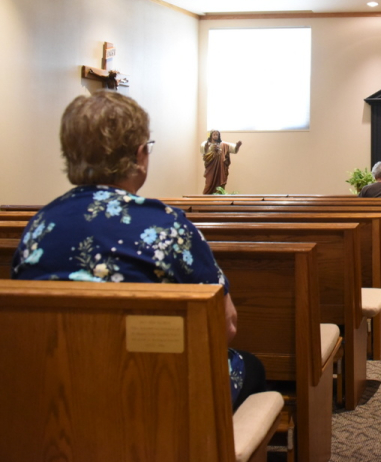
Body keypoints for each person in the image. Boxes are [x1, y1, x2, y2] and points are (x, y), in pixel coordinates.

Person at [11, 91, 265, 410]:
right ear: (140, 154)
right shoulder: (168, 226)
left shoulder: (38, 228)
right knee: (252, 367)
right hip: (153, 396)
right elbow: (224, 327)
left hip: (55, 396)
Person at [202, 129, 242, 195]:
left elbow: (233, 149)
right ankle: (206, 198)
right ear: (211, 136)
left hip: (221, 168)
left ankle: (219, 199)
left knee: (220, 184)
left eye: (217, 134)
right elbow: (205, 156)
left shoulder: (223, 145)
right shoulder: (207, 144)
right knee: (209, 184)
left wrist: (237, 146)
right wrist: (211, 150)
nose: (215, 136)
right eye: (214, 134)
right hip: (211, 168)